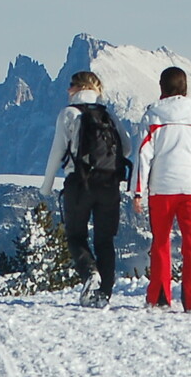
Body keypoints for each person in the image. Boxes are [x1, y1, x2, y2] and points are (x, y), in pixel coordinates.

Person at [40, 70, 129, 306]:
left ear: (79, 87)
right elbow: (127, 147)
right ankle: (104, 294)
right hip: (110, 183)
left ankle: (90, 272)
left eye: (71, 85)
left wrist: (46, 187)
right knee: (105, 239)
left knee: (76, 234)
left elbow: (57, 151)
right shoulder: (108, 115)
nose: (67, 89)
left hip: (79, 183)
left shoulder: (68, 113)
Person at [131, 65, 191, 310]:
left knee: (161, 243)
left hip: (162, 188)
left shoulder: (153, 117)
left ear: (161, 88)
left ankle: (160, 297)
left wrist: (138, 192)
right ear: (185, 88)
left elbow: (143, 155)